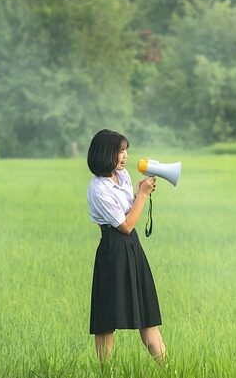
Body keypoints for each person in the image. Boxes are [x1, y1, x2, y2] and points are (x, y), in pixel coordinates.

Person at [86, 129, 167, 363]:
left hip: (132, 248)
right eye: (120, 151)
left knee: (147, 314)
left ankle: (169, 369)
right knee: (106, 319)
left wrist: (140, 192)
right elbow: (126, 225)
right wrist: (141, 196)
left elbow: (130, 211)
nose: (125, 156)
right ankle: (104, 370)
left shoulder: (122, 177)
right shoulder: (98, 189)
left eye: (125, 151)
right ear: (105, 154)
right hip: (113, 250)